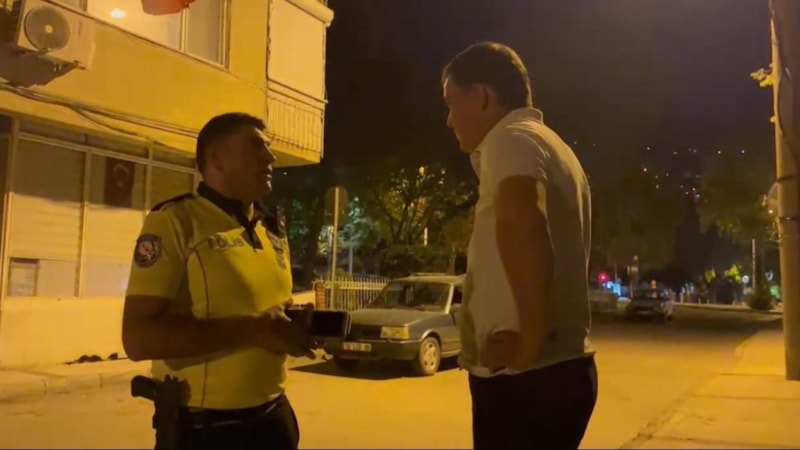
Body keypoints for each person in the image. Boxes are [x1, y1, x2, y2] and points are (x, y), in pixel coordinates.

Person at [121, 112, 316, 450]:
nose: (270, 157)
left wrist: (288, 327)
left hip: (275, 418)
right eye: (256, 146)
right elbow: (137, 339)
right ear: (216, 158)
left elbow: (267, 311)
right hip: (206, 429)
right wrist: (254, 329)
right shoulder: (175, 221)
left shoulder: (271, 229)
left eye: (269, 148)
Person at [442, 42, 598, 449]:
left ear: (482, 96)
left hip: (525, 380)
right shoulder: (555, 147)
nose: (449, 120)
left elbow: (523, 223)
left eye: (452, 103)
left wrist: (528, 342)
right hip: (562, 371)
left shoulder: (508, 139)